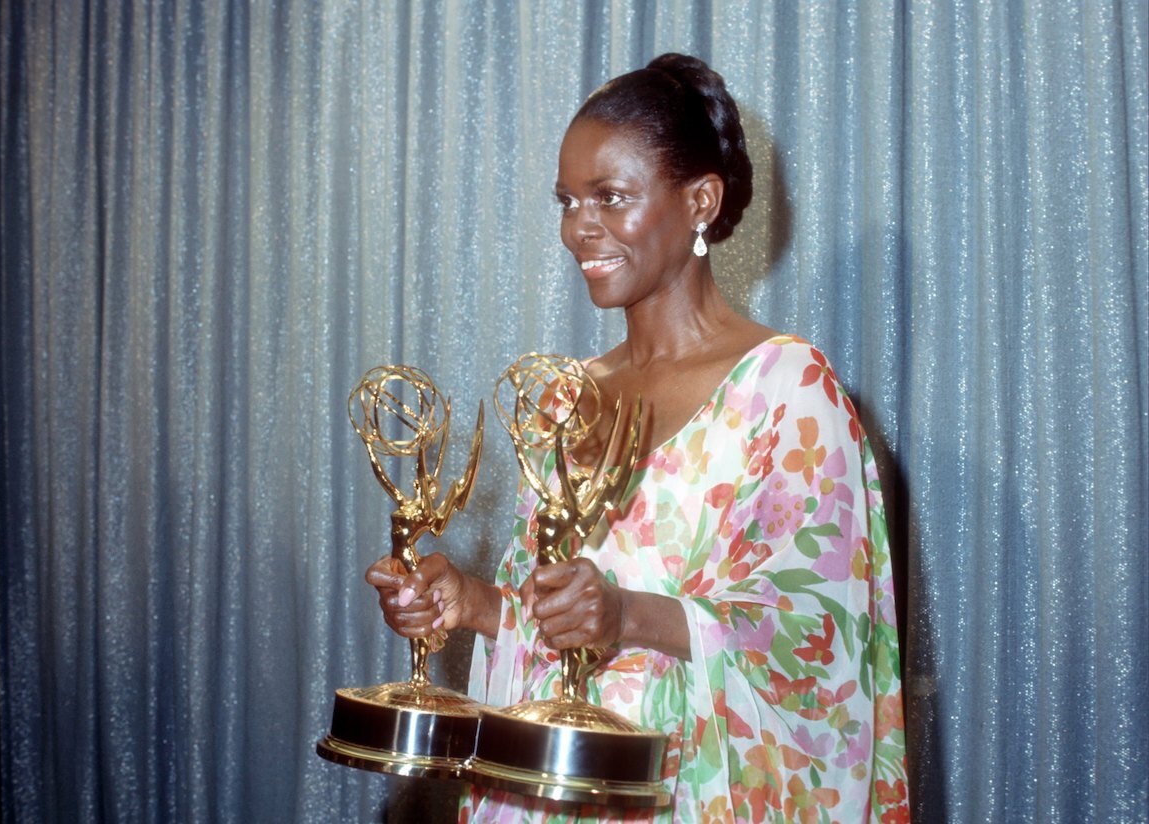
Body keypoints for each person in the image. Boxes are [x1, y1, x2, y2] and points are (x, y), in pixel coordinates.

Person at [367, 53, 909, 823]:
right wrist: (473, 604)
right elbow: (552, 618)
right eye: (566, 201)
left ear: (700, 201)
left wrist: (629, 616)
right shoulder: (563, 398)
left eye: (610, 197)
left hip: (690, 793)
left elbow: (817, 641)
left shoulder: (786, 389)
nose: (578, 228)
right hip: (546, 793)